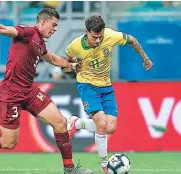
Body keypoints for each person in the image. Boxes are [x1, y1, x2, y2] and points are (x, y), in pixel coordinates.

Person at [0, 8, 93, 174]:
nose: (55, 29)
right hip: (11, 93)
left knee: (61, 123)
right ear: (43, 21)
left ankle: (69, 169)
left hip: (29, 91)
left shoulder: (40, 43)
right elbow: (0, 29)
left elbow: (52, 58)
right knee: (8, 143)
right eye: (53, 25)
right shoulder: (27, 32)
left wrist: (71, 65)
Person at [65, 15, 153, 173]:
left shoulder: (111, 35)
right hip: (87, 84)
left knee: (110, 127)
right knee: (101, 124)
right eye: (94, 37)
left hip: (106, 86)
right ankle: (105, 165)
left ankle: (76, 123)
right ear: (87, 32)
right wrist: (72, 66)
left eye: (100, 37)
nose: (98, 41)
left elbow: (132, 39)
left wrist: (145, 58)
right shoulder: (76, 45)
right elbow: (67, 59)